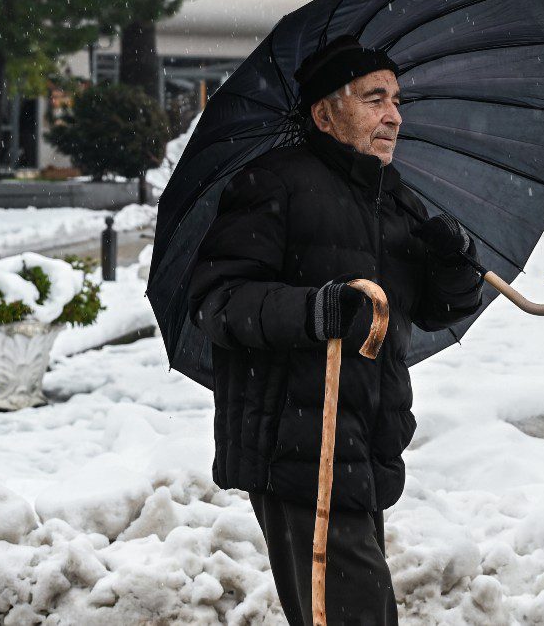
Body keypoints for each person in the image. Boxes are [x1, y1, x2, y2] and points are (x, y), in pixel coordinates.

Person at [187, 35, 483, 625]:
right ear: (325, 113)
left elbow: (431, 310)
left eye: (397, 100)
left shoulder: (391, 198)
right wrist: (314, 311)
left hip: (365, 443)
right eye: (374, 99)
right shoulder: (272, 183)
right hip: (298, 446)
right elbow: (218, 302)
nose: (394, 116)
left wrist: (455, 264)